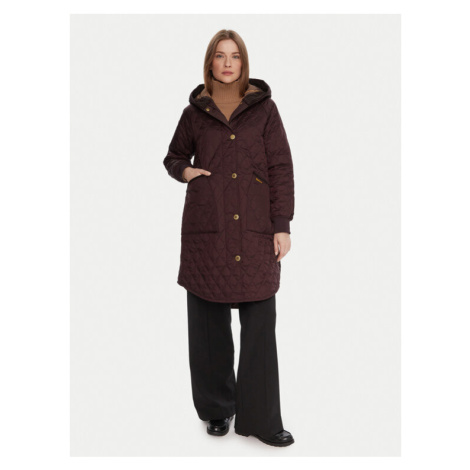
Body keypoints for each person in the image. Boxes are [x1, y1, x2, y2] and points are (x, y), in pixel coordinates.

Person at [163, 30, 295, 447]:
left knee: (260, 324)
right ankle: (218, 408)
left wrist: (282, 224)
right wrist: (188, 172)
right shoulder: (194, 113)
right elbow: (173, 156)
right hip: (208, 227)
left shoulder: (265, 110)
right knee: (208, 324)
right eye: (220, 56)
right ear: (210, 62)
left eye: (234, 56)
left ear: (243, 63)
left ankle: (262, 419)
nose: (227, 63)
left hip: (256, 228)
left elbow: (280, 167)